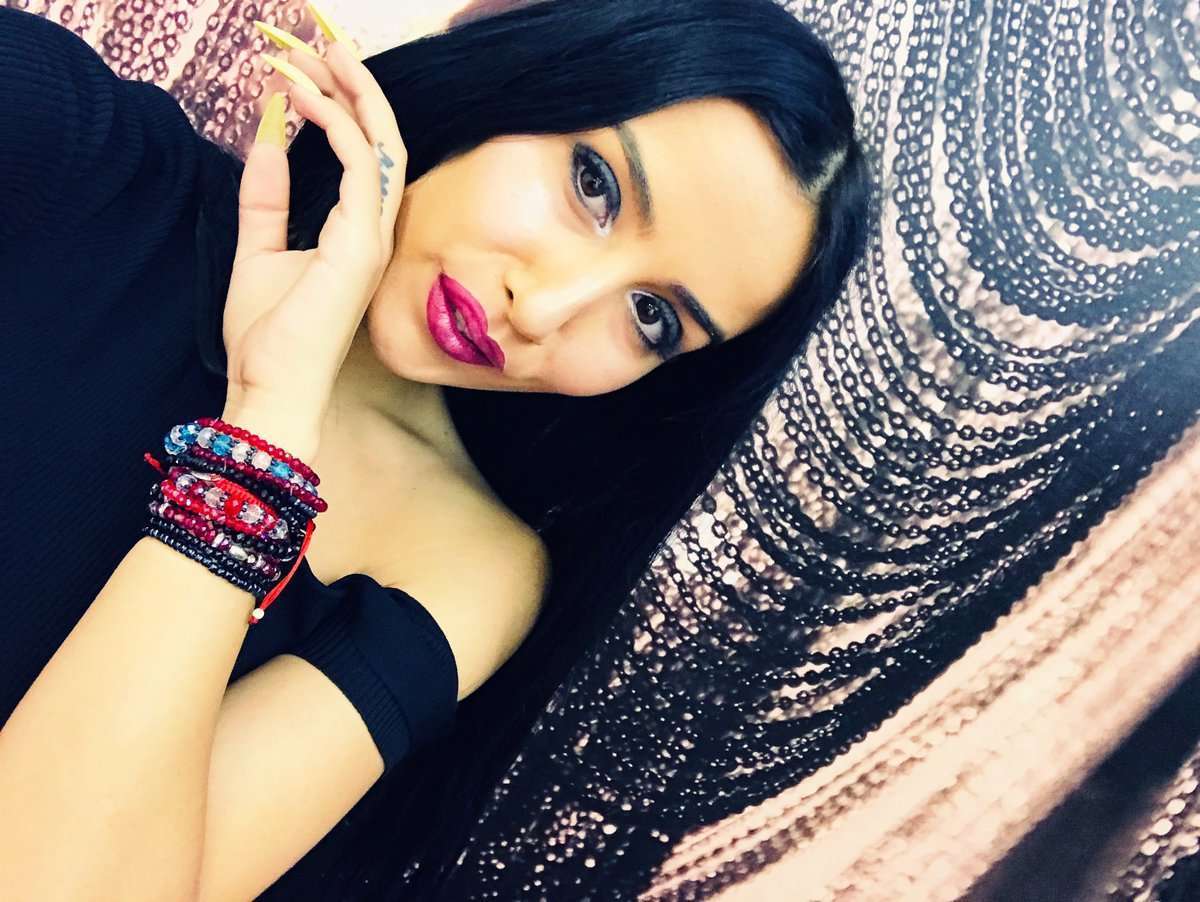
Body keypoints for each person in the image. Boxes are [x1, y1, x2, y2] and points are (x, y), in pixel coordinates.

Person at [0, 0, 871, 898]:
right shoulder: (69, 150)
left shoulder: (460, 567)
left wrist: (268, 421)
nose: (543, 310)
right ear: (521, 65)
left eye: (652, 318)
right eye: (594, 186)